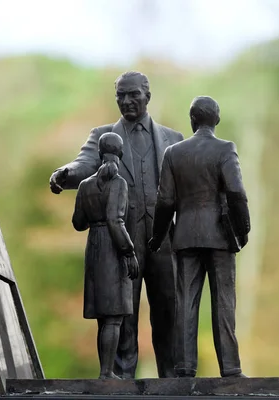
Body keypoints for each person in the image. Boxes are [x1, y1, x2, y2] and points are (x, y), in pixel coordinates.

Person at [50, 71, 183, 378]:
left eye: (132, 94)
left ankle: (174, 379)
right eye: (120, 96)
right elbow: (83, 164)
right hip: (121, 238)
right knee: (123, 313)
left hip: (165, 239)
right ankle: (120, 380)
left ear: (147, 96)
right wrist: (64, 173)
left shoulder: (174, 139)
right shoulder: (103, 136)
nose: (126, 101)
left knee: (170, 311)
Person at [148, 96, 250, 378]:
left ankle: (184, 367)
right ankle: (230, 368)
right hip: (220, 235)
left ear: (192, 120)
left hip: (185, 236)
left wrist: (157, 238)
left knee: (185, 304)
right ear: (216, 120)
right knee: (224, 303)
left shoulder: (173, 152)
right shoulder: (225, 149)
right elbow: (236, 192)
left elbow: (165, 201)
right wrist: (243, 229)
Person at [72, 132, 139, 379]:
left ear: (100, 154)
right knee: (113, 317)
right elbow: (115, 220)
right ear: (119, 155)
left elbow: (78, 223)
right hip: (113, 248)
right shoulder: (119, 183)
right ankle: (106, 373)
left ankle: (106, 371)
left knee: (104, 315)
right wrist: (129, 252)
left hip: (94, 247)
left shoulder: (84, 185)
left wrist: (91, 211)